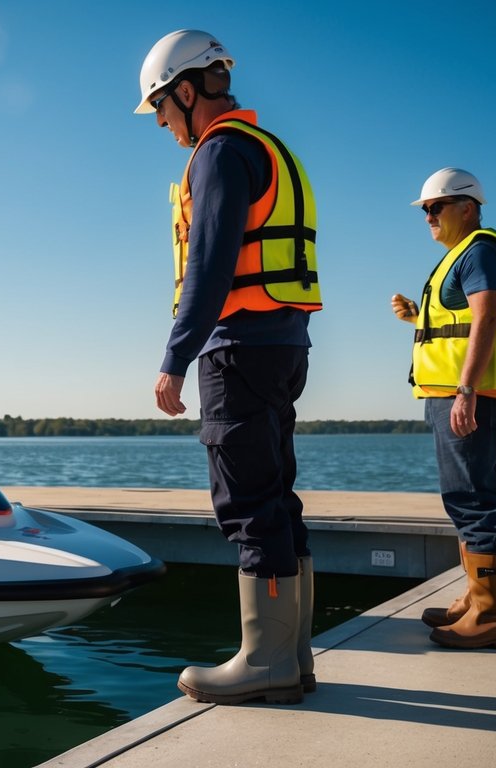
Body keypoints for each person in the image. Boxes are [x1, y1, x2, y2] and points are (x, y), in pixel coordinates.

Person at [134, 29, 322, 705]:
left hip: (236, 346)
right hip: (283, 344)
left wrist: (172, 360)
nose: (160, 123)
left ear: (186, 92)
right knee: (276, 497)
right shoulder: (266, 149)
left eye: (160, 107)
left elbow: (210, 266)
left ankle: (266, 660)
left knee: (246, 503)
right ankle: (291, 656)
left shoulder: (218, 155)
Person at [392, 167, 496, 650]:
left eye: (435, 207)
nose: (427, 216)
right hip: (466, 395)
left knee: (471, 500)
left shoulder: (481, 251)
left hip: (471, 397)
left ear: (467, 207)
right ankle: (489, 602)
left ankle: (492, 617)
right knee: (486, 497)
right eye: (425, 209)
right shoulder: (462, 256)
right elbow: (460, 323)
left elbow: (487, 314)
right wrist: (416, 316)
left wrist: (466, 389)